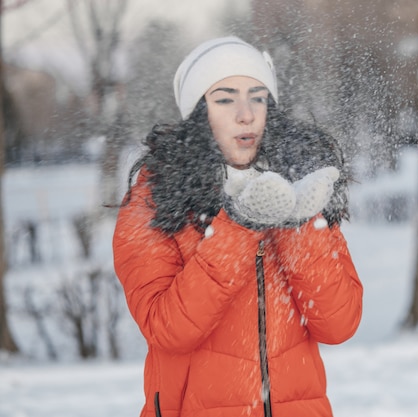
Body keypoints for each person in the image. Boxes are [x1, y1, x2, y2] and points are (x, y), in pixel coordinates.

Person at [112, 36, 363, 417]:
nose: (245, 114)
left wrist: (297, 225)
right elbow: (168, 329)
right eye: (225, 99)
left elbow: (339, 324)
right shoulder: (155, 198)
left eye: (258, 97)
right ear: (199, 113)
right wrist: (239, 228)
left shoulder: (298, 185)